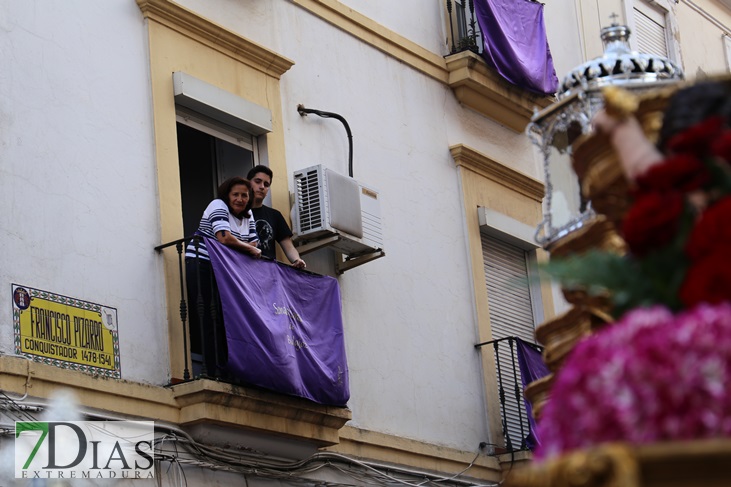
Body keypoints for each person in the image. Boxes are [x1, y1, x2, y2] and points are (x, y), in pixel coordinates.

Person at [185, 176, 261, 377]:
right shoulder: (217, 205)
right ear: (227, 196)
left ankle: (225, 369)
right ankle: (211, 370)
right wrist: (245, 247)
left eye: (244, 195)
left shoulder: (248, 215)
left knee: (225, 318)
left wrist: (246, 247)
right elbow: (224, 237)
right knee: (210, 316)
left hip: (225, 268)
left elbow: (254, 244)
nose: (240, 199)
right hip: (202, 262)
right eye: (235, 194)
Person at [247, 165, 306, 269]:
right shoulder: (237, 212)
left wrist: (297, 260)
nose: (262, 187)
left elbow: (289, 247)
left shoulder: (275, 215)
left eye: (266, 184)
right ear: (248, 183)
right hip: (242, 271)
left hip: (268, 273)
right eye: (257, 181)